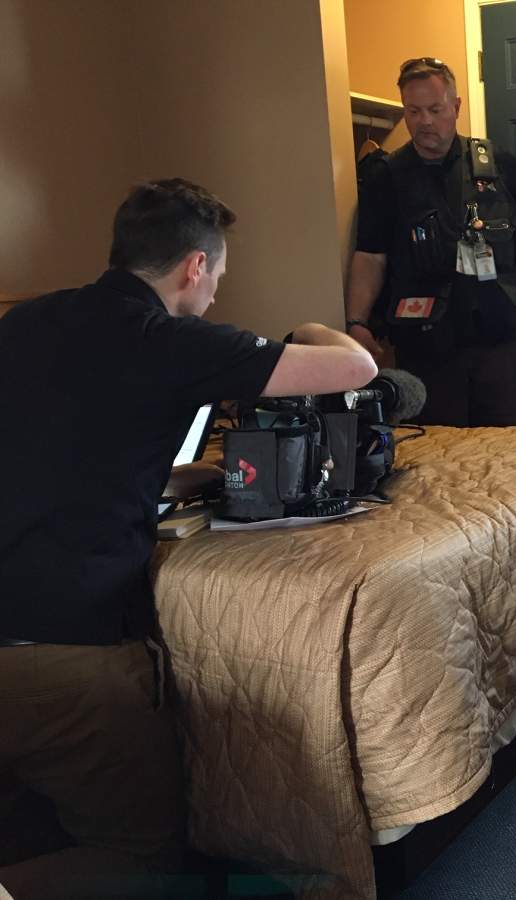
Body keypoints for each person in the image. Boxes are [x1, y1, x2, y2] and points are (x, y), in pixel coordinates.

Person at [0, 178, 377, 898]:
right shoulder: (171, 341)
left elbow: (67, 441)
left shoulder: (27, 321)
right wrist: (307, 331)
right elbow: (357, 369)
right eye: (217, 277)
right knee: (146, 860)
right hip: (62, 649)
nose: (214, 296)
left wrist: (162, 480)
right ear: (194, 267)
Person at [346, 56, 516, 426]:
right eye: (413, 111)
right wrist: (357, 321)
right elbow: (370, 256)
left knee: (510, 449)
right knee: (438, 452)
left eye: (435, 109)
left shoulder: (492, 163)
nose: (424, 121)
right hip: (426, 345)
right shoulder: (387, 176)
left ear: (456, 107)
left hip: (496, 336)